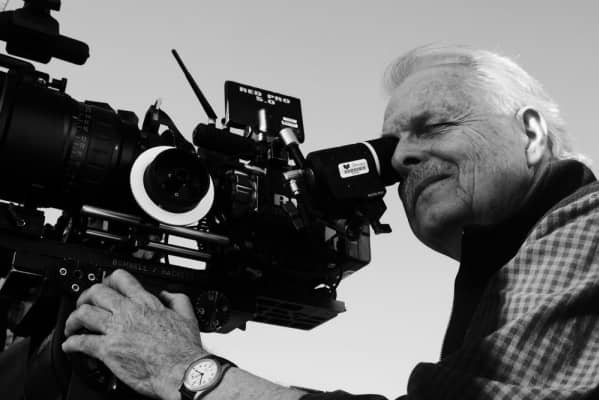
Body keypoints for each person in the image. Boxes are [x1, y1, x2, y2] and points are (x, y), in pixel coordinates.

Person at [54, 44, 599, 399]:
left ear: (531, 135)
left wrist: (186, 372)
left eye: (434, 126)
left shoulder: (588, 226)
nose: (401, 158)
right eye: (389, 149)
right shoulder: (503, 270)